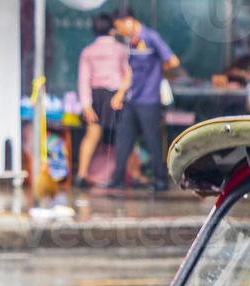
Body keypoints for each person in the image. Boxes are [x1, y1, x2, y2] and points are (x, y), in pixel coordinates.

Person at [109, 5, 177, 192]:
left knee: (152, 140)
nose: (118, 30)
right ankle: (117, 178)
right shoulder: (132, 41)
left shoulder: (151, 37)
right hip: (132, 99)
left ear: (128, 20)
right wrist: (120, 94)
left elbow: (173, 61)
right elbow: (130, 70)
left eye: (118, 26)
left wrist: (156, 72)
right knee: (123, 137)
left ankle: (160, 179)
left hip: (149, 99)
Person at [75, 12, 130, 189]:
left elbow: (84, 79)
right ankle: (130, 175)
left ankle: (81, 174)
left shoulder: (87, 51)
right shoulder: (121, 50)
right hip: (116, 96)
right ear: (112, 30)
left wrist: (86, 105)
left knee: (91, 136)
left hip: (96, 96)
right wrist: (121, 95)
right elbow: (128, 74)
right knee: (124, 137)